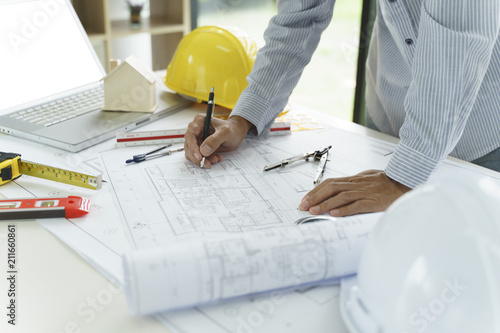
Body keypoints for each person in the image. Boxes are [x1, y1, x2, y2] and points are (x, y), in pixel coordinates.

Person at [184, 0, 500, 217]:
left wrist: (403, 177)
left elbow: (459, 43)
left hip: (480, 130)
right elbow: (300, 16)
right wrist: (244, 118)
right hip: (389, 108)